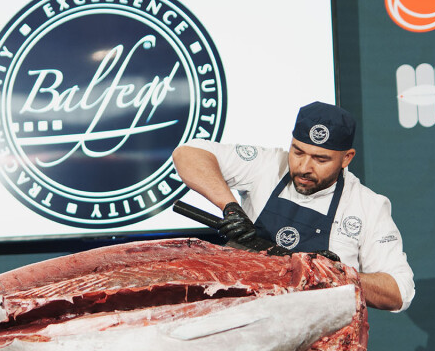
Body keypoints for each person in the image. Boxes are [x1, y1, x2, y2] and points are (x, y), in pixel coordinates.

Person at [172, 101, 414, 312]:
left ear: (347, 158)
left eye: (321, 159)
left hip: (315, 340)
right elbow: (187, 154)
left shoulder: (368, 206)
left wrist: (338, 275)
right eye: (298, 152)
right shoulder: (267, 165)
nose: (304, 167)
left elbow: (399, 292)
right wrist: (231, 207)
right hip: (240, 319)